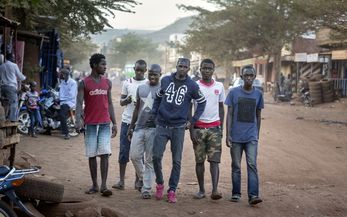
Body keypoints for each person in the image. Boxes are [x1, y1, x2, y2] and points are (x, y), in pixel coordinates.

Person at [152, 58, 206, 203]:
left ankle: (172, 190)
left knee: (177, 160)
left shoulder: (192, 85)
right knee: (156, 156)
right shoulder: (165, 80)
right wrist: (154, 115)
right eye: (180, 66)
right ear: (176, 66)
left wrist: (193, 121)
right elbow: (157, 98)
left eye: (185, 67)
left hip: (178, 127)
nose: (182, 68)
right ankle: (160, 183)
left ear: (189, 69)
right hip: (162, 125)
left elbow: (202, 102)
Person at [75, 53, 117, 197]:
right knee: (92, 155)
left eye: (105, 64)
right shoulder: (84, 83)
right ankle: (94, 185)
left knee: (105, 154)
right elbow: (79, 103)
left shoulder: (107, 83)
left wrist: (115, 123)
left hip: (105, 123)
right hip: (90, 124)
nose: (105, 67)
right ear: (94, 65)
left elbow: (110, 103)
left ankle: (104, 186)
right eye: (102, 64)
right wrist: (77, 120)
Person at [224, 65, 264, 206]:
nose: (249, 78)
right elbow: (229, 114)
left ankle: (253, 195)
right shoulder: (234, 93)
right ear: (241, 77)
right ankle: (236, 193)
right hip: (236, 136)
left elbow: (258, 116)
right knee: (236, 165)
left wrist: (256, 134)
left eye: (251, 75)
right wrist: (227, 134)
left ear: (254, 77)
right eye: (246, 75)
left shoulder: (258, 94)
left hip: (251, 136)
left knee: (252, 165)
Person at [189, 59, 225, 200]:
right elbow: (189, 108)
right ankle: (202, 190)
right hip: (198, 128)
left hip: (214, 129)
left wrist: (221, 127)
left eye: (209, 68)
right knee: (199, 161)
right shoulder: (194, 86)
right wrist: (191, 129)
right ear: (200, 69)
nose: (206, 71)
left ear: (213, 70)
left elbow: (221, 108)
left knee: (214, 161)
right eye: (204, 68)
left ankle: (215, 190)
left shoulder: (219, 86)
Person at [128, 64, 162, 199]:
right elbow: (137, 108)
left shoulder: (163, 89)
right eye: (151, 74)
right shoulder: (141, 88)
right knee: (134, 156)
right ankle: (144, 177)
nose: (153, 76)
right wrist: (131, 126)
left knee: (149, 159)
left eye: (156, 74)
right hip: (139, 127)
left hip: (154, 129)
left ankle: (146, 189)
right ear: (148, 73)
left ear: (160, 74)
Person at [113, 60, 148, 191]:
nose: (139, 72)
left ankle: (138, 180)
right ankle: (121, 181)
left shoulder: (147, 84)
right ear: (134, 68)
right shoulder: (127, 82)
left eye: (141, 70)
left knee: (139, 154)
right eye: (137, 69)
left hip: (141, 123)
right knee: (123, 152)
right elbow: (121, 102)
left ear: (145, 70)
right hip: (127, 121)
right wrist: (126, 100)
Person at [0, 53, 26, 122]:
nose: (14, 59)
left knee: (4, 104)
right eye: (13, 57)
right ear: (11, 58)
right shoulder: (14, 65)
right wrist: (24, 78)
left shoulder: (1, 66)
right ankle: (12, 120)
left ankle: (3, 118)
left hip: (2, 87)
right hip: (11, 87)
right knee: (14, 103)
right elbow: (20, 76)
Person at [59, 68, 77, 140]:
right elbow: (61, 92)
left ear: (65, 75)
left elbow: (71, 95)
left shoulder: (73, 83)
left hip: (69, 102)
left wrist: (61, 98)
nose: (59, 75)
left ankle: (66, 133)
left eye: (61, 74)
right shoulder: (62, 82)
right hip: (62, 101)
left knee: (62, 114)